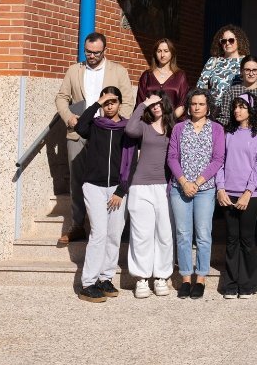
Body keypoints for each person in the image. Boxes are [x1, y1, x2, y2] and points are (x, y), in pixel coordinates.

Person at [55, 31, 135, 245]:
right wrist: (70, 117)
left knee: (114, 176)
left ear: (104, 51)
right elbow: (62, 98)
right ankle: (78, 224)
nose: (91, 56)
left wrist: (117, 123)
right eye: (88, 52)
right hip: (79, 132)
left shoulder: (118, 71)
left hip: (109, 134)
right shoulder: (74, 70)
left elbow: (128, 101)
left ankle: (116, 224)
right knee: (77, 179)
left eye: (96, 52)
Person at [74, 87, 136, 303]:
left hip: (117, 189)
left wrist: (121, 190)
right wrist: (96, 104)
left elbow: (130, 162)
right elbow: (80, 126)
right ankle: (88, 283)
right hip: (94, 185)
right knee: (99, 233)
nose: (110, 106)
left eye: (113, 102)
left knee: (114, 233)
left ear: (120, 103)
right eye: (106, 102)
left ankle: (105, 278)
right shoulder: (94, 125)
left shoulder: (127, 128)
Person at [168, 88, 225, 299]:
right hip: (179, 188)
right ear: (189, 106)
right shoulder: (179, 128)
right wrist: (184, 182)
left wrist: (198, 183)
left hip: (205, 189)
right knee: (183, 235)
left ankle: (200, 278)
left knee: (203, 234)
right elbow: (172, 157)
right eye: (193, 104)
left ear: (208, 106)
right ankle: (185, 278)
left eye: (201, 104)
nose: (197, 107)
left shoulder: (217, 129)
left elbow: (218, 159)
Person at [122, 92, 176, 299]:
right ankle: (142, 278)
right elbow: (129, 128)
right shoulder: (143, 127)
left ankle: (162, 277)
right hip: (140, 186)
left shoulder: (174, 128)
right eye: (152, 104)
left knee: (164, 233)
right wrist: (143, 102)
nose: (155, 106)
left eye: (159, 103)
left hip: (164, 186)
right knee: (141, 234)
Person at [217, 92, 257, 299]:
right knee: (231, 239)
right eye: (235, 106)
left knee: (247, 240)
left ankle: (247, 285)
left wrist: (248, 192)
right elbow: (219, 161)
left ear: (251, 110)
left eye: (242, 106)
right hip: (227, 194)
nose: (237, 110)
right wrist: (220, 188)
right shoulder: (227, 133)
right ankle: (230, 284)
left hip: (250, 195)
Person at [218, 55, 257, 134]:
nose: (251, 73)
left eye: (254, 70)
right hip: (234, 136)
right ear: (241, 71)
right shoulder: (231, 92)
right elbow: (224, 119)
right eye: (247, 70)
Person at [136, 37, 189, 119]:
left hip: (172, 124)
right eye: (159, 51)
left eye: (166, 51)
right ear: (155, 54)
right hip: (149, 123)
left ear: (172, 53)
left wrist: (169, 122)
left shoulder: (180, 76)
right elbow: (140, 101)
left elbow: (183, 103)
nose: (162, 55)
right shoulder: (147, 75)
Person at [197, 25, 249, 103]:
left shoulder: (246, 62)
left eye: (231, 40)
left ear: (239, 41)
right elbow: (201, 87)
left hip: (236, 109)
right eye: (224, 41)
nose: (227, 43)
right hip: (214, 110)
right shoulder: (213, 61)